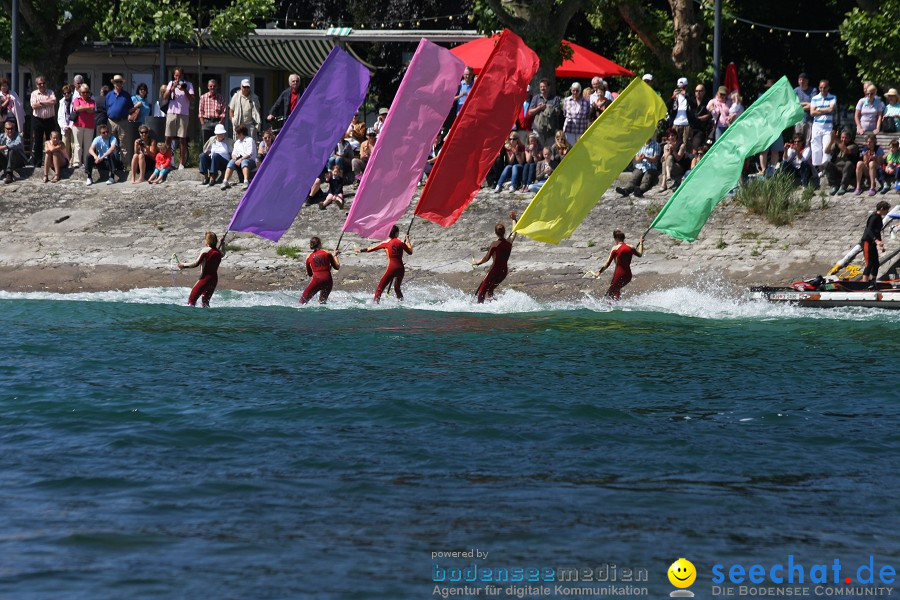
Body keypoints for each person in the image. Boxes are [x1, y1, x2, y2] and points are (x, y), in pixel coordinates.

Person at [358, 225, 412, 303]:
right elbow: (410, 252)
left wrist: (360, 250)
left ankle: (375, 304)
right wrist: (408, 241)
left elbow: (371, 249)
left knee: (380, 289)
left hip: (391, 268)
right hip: (401, 268)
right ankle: (402, 303)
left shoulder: (386, 243)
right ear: (397, 233)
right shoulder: (400, 242)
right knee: (397, 288)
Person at [472, 211, 518, 303]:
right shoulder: (509, 242)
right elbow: (514, 232)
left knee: (481, 292)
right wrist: (514, 219)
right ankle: (491, 304)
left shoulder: (494, 244)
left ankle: (480, 309)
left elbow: (486, 258)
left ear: (495, 233)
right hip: (503, 271)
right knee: (491, 289)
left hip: (494, 271)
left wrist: (476, 263)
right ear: (504, 232)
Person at [178, 232, 223, 308]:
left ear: (207, 241)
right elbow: (223, 253)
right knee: (205, 303)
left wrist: (183, 265)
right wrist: (223, 243)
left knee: (191, 302)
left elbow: (196, 263)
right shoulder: (218, 252)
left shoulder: (205, 250)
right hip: (214, 280)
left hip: (205, 279)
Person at [596, 229, 644, 300]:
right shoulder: (631, 247)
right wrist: (641, 243)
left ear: (616, 238)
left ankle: (613, 307)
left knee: (610, 294)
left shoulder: (615, 248)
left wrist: (599, 272)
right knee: (616, 290)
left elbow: (608, 263)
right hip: (628, 275)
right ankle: (619, 305)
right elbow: (640, 254)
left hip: (619, 274)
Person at [163, 67, 195, 169]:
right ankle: (168, 161)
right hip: (171, 113)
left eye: (179, 75)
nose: (178, 77)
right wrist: (173, 88)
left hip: (183, 114)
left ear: (182, 75)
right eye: (176, 75)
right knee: (168, 137)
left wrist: (184, 90)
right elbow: (165, 97)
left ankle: (181, 163)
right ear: (174, 76)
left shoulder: (188, 85)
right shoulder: (171, 83)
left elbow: (192, 100)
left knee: (182, 139)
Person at [299, 236, 341, 305]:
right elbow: (337, 267)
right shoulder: (327, 253)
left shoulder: (309, 257)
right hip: (328, 281)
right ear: (320, 244)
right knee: (322, 303)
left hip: (317, 281)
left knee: (302, 302)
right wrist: (335, 256)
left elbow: (310, 274)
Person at [810, 80, 837, 176]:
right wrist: (825, 110)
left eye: (825, 87)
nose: (823, 90)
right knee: (816, 147)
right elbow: (812, 113)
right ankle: (820, 169)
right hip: (817, 126)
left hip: (827, 126)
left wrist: (819, 109)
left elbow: (831, 109)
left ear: (828, 88)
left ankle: (826, 168)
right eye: (821, 88)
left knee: (827, 147)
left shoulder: (832, 97)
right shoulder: (815, 98)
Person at [29, 76, 57, 168]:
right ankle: (38, 162)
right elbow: (34, 105)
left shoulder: (50, 92)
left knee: (51, 142)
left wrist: (40, 103)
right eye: (40, 84)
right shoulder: (34, 93)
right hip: (38, 120)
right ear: (36, 85)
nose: (42, 85)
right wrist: (46, 102)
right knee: (38, 142)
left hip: (49, 120)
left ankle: (51, 162)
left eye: (43, 83)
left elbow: (53, 101)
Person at [860, 201, 890, 284]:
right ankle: (864, 283)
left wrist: (880, 244)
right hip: (867, 242)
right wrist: (876, 240)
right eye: (886, 210)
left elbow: (877, 232)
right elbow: (868, 230)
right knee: (869, 263)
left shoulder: (879, 218)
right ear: (881, 209)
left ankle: (873, 282)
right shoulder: (873, 217)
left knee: (876, 263)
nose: (887, 212)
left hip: (873, 243)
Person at [106, 75, 133, 163]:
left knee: (123, 144)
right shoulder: (109, 95)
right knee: (110, 143)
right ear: (114, 84)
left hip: (123, 121)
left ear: (122, 84)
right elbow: (106, 107)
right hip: (111, 121)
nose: (118, 84)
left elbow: (131, 108)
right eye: (116, 82)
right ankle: (110, 163)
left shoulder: (126, 95)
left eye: (120, 82)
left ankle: (124, 165)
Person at [824, 129, 860, 196]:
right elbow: (826, 151)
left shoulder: (853, 146)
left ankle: (843, 186)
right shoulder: (836, 145)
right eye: (842, 137)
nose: (843, 139)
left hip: (847, 170)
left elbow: (846, 150)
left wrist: (837, 139)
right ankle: (834, 186)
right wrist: (831, 141)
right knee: (827, 164)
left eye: (846, 138)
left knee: (849, 164)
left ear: (850, 138)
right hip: (837, 169)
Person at [221, 124, 256, 189]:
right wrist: (234, 157)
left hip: (250, 161)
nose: (236, 135)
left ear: (242, 133)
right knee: (231, 162)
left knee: (244, 162)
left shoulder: (249, 140)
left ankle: (246, 181)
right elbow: (234, 153)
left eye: (237, 134)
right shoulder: (237, 142)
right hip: (239, 160)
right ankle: (225, 181)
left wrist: (241, 159)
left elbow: (249, 154)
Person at [71, 83, 95, 169]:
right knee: (77, 145)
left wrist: (82, 107)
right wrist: (86, 108)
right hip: (78, 125)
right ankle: (77, 162)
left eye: (86, 92)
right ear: (80, 92)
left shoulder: (92, 101)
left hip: (89, 126)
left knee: (88, 145)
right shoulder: (76, 99)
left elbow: (92, 110)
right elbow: (77, 108)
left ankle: (86, 162)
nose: (85, 94)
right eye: (83, 92)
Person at [562, 82, 591, 146]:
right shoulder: (566, 100)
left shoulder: (586, 102)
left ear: (580, 91)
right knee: (569, 148)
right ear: (571, 90)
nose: (575, 92)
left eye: (577, 91)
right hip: (569, 128)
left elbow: (588, 115)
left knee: (581, 148)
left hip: (581, 129)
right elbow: (564, 113)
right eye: (573, 90)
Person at [198, 79, 226, 143]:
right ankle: (205, 153)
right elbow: (200, 112)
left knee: (218, 142)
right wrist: (203, 123)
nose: (212, 88)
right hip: (206, 122)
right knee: (205, 143)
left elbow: (223, 112)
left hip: (217, 122)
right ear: (208, 87)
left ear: (217, 87)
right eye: (210, 86)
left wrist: (220, 123)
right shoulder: (203, 97)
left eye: (214, 86)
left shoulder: (221, 98)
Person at [57, 84, 76, 161]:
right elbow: (60, 117)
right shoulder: (61, 102)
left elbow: (75, 114)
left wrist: (70, 126)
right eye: (65, 93)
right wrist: (64, 126)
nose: (67, 94)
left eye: (68, 92)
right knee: (65, 146)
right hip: (64, 127)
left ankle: (74, 161)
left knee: (74, 145)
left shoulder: (74, 101)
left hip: (73, 126)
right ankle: (66, 161)